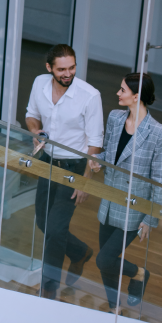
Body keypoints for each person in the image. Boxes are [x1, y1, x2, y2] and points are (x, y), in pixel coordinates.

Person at [26, 44, 104, 299]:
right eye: (61, 69)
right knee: (43, 222)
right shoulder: (39, 83)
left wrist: (86, 181)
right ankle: (80, 251)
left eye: (71, 68)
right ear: (49, 68)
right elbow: (31, 116)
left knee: (57, 229)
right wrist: (36, 131)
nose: (68, 73)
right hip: (47, 162)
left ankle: (49, 289)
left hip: (74, 167)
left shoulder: (89, 96)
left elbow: (95, 142)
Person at [88, 72, 162, 312]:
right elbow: (110, 156)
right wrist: (97, 160)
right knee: (107, 263)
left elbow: (159, 179)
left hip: (135, 207)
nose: (117, 93)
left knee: (104, 259)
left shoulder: (158, 133)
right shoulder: (115, 118)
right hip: (110, 200)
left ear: (136, 96)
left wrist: (150, 218)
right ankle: (114, 308)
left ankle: (140, 273)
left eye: (122, 90)